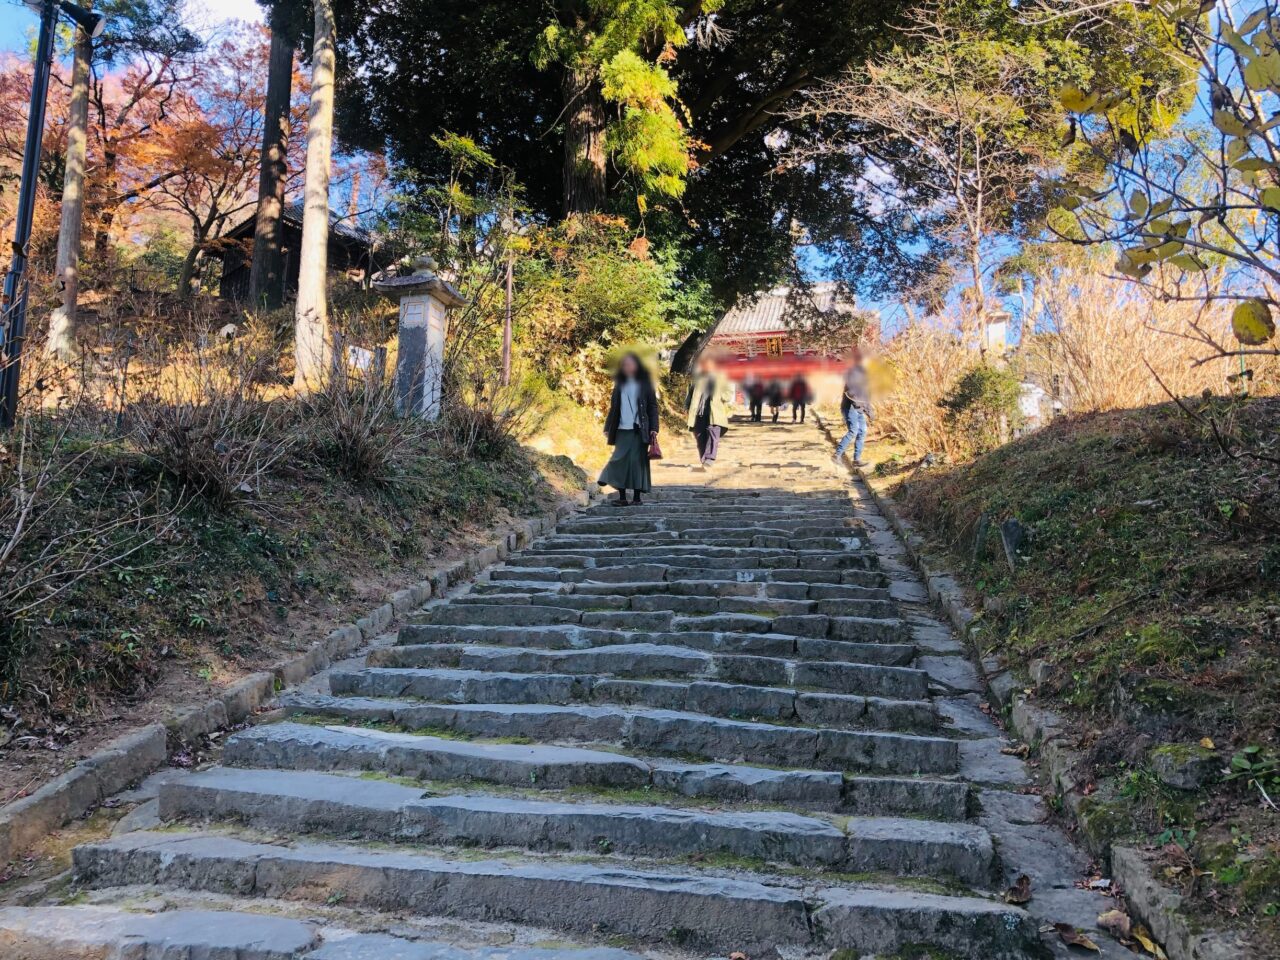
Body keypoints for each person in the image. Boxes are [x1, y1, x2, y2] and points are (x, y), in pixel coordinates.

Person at [598, 352, 660, 506]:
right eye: (624, 364)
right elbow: (614, 408)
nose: (627, 367)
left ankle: (637, 497)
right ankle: (622, 496)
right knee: (619, 459)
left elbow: (652, 407)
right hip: (621, 429)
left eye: (630, 364)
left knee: (637, 462)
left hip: (640, 429)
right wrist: (608, 426)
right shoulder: (619, 384)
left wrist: (654, 427)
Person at [686, 357, 733, 470]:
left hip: (714, 411)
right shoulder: (698, 377)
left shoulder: (721, 377)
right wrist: (687, 406)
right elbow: (690, 393)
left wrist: (721, 396)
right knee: (700, 436)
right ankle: (704, 459)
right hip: (699, 412)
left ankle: (710, 458)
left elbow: (729, 392)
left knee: (713, 435)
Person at [834, 348, 872, 468]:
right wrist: (857, 404)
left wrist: (869, 411)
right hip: (850, 407)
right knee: (853, 431)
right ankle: (837, 455)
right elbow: (851, 392)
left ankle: (856, 459)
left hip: (859, 408)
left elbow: (865, 395)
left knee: (863, 431)